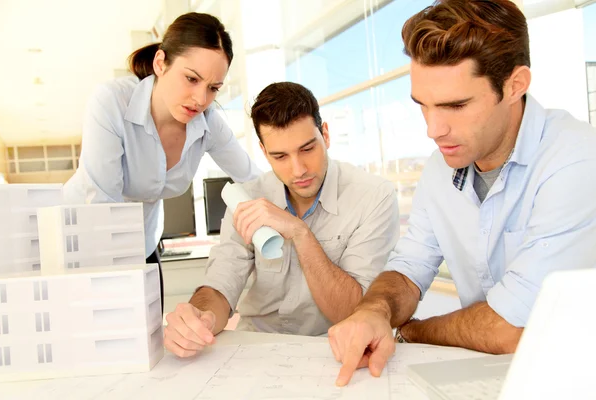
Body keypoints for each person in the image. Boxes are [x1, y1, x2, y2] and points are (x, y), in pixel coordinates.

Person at [328, 0, 596, 387]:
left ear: (515, 85)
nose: (433, 130)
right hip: (494, 378)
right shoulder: (443, 166)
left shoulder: (576, 160)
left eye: (455, 105)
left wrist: (410, 331)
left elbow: (509, 329)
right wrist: (375, 310)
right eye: (423, 105)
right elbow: (409, 268)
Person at [163, 82, 400, 357]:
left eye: (308, 149)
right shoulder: (248, 199)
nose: (298, 170)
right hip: (255, 349)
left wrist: (300, 233)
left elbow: (354, 310)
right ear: (264, 152)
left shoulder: (373, 197)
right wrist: (199, 317)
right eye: (280, 156)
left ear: (325, 135)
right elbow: (220, 286)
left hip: (331, 347)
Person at [63, 12, 261, 308]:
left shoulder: (207, 122)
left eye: (213, 88)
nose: (200, 98)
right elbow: (102, 204)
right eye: (191, 78)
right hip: (85, 242)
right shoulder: (112, 102)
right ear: (160, 63)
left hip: (143, 243)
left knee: (149, 341)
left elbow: (252, 178)